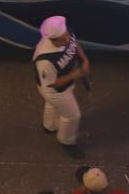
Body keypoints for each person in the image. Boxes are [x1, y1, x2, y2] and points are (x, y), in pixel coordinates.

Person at [33, 15, 89, 156]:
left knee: (52, 106)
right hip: (54, 91)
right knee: (72, 116)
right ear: (51, 40)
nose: (67, 40)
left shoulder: (65, 32)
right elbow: (52, 83)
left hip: (66, 81)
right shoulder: (45, 60)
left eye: (67, 36)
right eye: (62, 40)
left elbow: (74, 44)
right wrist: (78, 73)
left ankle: (49, 126)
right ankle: (66, 141)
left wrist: (84, 59)